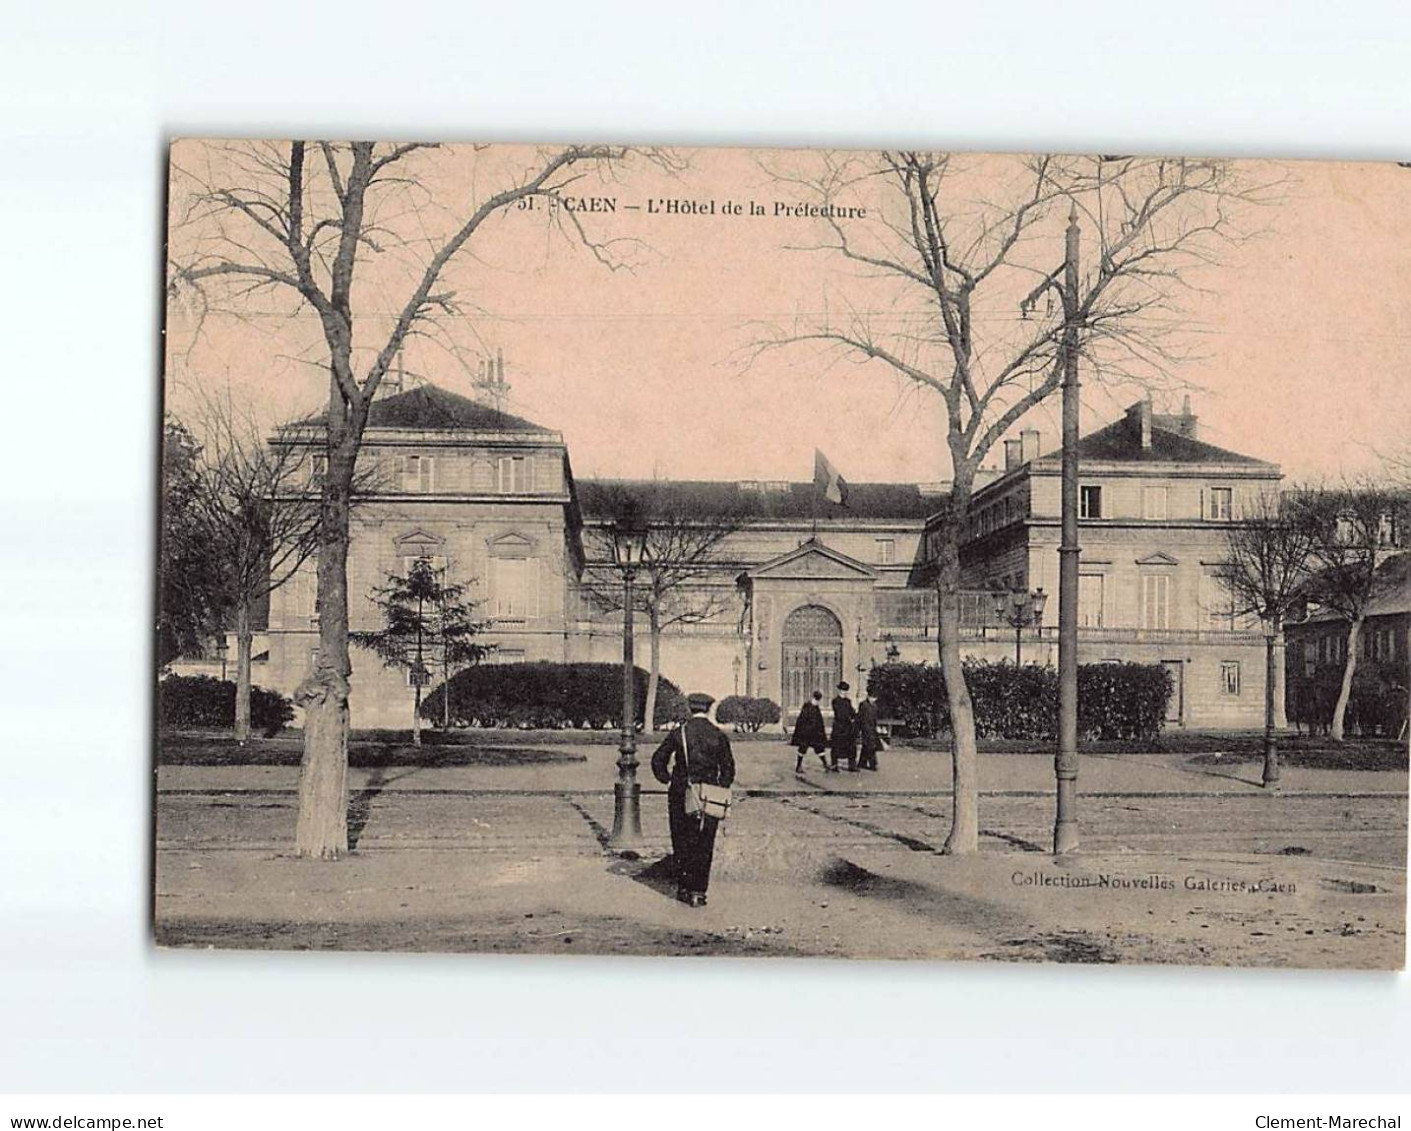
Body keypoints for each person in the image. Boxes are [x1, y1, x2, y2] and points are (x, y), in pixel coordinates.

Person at [650, 692, 736, 908]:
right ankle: (699, 892)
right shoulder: (718, 735)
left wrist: (667, 779)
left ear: (690, 709)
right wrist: (719, 787)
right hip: (709, 795)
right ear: (708, 709)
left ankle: (684, 888)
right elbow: (729, 770)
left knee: (682, 841)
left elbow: (658, 760)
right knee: (704, 843)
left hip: (681, 793)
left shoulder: (680, 733)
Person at [790, 689, 830, 773]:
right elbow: (802, 720)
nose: (817, 702)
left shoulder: (816, 708)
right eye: (816, 700)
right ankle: (798, 766)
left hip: (815, 733)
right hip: (806, 733)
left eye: (818, 700)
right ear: (813, 698)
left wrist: (820, 732)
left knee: (819, 748)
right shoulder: (807, 706)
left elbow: (819, 722)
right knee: (803, 748)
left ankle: (825, 765)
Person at [829, 681, 857, 772]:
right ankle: (834, 765)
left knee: (851, 746)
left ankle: (852, 765)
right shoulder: (835, 701)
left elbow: (852, 712)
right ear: (839, 691)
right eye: (842, 691)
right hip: (839, 726)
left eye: (845, 691)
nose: (843, 693)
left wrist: (854, 717)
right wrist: (849, 718)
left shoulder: (848, 701)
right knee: (836, 745)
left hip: (847, 727)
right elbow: (839, 714)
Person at [857, 689, 885, 771]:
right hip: (865, 728)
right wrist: (860, 728)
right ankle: (873, 764)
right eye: (872, 697)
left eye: (875, 698)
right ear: (868, 696)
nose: (873, 699)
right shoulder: (863, 705)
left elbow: (875, 718)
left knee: (867, 745)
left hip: (872, 728)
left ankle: (862, 763)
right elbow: (860, 717)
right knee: (871, 746)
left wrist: (876, 726)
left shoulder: (874, 706)